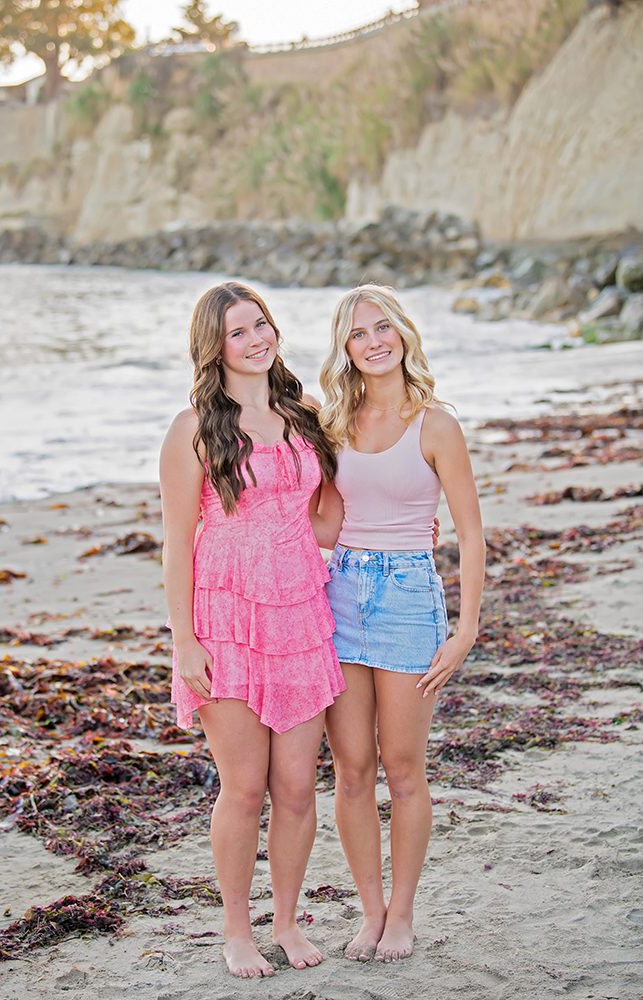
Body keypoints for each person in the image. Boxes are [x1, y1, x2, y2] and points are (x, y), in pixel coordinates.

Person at [159, 281, 345, 979]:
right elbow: (179, 541)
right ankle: (237, 930)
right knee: (242, 786)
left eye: (260, 323)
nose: (256, 338)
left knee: (297, 786)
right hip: (226, 618)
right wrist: (185, 641)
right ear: (215, 346)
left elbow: (323, 521)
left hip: (300, 614)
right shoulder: (193, 429)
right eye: (238, 331)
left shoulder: (308, 416)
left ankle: (288, 922)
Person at [313, 284, 485, 964]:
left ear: (404, 334)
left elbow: (470, 534)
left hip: (411, 596)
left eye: (383, 327)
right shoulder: (333, 423)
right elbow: (326, 522)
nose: (374, 340)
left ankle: (404, 914)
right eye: (359, 333)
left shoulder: (435, 423)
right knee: (351, 771)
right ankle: (371, 911)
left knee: (404, 769)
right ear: (345, 349)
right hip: (343, 592)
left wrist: (465, 628)